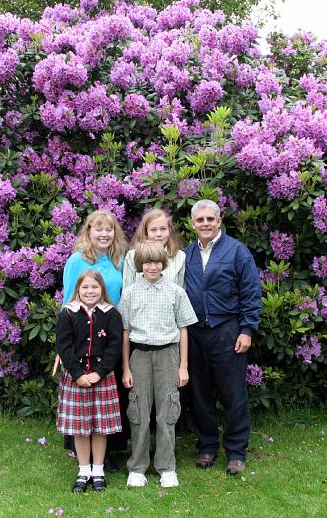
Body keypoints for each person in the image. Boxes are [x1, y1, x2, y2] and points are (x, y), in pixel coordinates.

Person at [183, 199, 262, 475]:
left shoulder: (237, 251)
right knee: (199, 393)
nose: (205, 224)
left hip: (228, 331)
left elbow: (251, 292)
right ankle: (207, 446)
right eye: (200, 220)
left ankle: (237, 451)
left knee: (233, 392)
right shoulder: (186, 255)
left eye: (210, 219)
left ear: (219, 222)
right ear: (193, 224)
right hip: (194, 333)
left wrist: (247, 329)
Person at [119, 241, 197, 488]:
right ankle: (138, 467)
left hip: (168, 356)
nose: (152, 267)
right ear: (140, 265)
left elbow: (184, 330)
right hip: (139, 355)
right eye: (147, 263)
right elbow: (124, 332)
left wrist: (183, 366)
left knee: (168, 411)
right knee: (139, 412)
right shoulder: (130, 292)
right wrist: (126, 368)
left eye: (156, 262)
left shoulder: (176, 292)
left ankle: (166, 466)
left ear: (164, 264)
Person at [59, 209, 129, 470]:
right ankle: (82, 456)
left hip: (111, 333)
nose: (104, 233)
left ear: (115, 233)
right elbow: (68, 299)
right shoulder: (77, 261)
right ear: (88, 232)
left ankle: (107, 453)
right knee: (83, 396)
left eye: (109, 229)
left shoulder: (119, 259)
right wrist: (62, 344)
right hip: (81, 335)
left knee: (109, 393)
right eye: (98, 228)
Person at [56, 270, 124, 492]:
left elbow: (114, 348)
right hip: (76, 378)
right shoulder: (68, 313)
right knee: (79, 428)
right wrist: (77, 374)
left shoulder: (111, 313)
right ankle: (83, 470)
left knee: (99, 428)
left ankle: (98, 471)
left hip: (101, 378)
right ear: (77, 289)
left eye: (95, 287)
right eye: (85, 287)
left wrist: (99, 372)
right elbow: (63, 347)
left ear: (102, 289)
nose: (90, 291)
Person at [122, 208, 185, 289]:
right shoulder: (132, 255)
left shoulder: (180, 256)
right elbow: (127, 292)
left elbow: (180, 293)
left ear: (169, 230)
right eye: (153, 230)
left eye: (163, 229)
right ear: (146, 232)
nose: (159, 234)